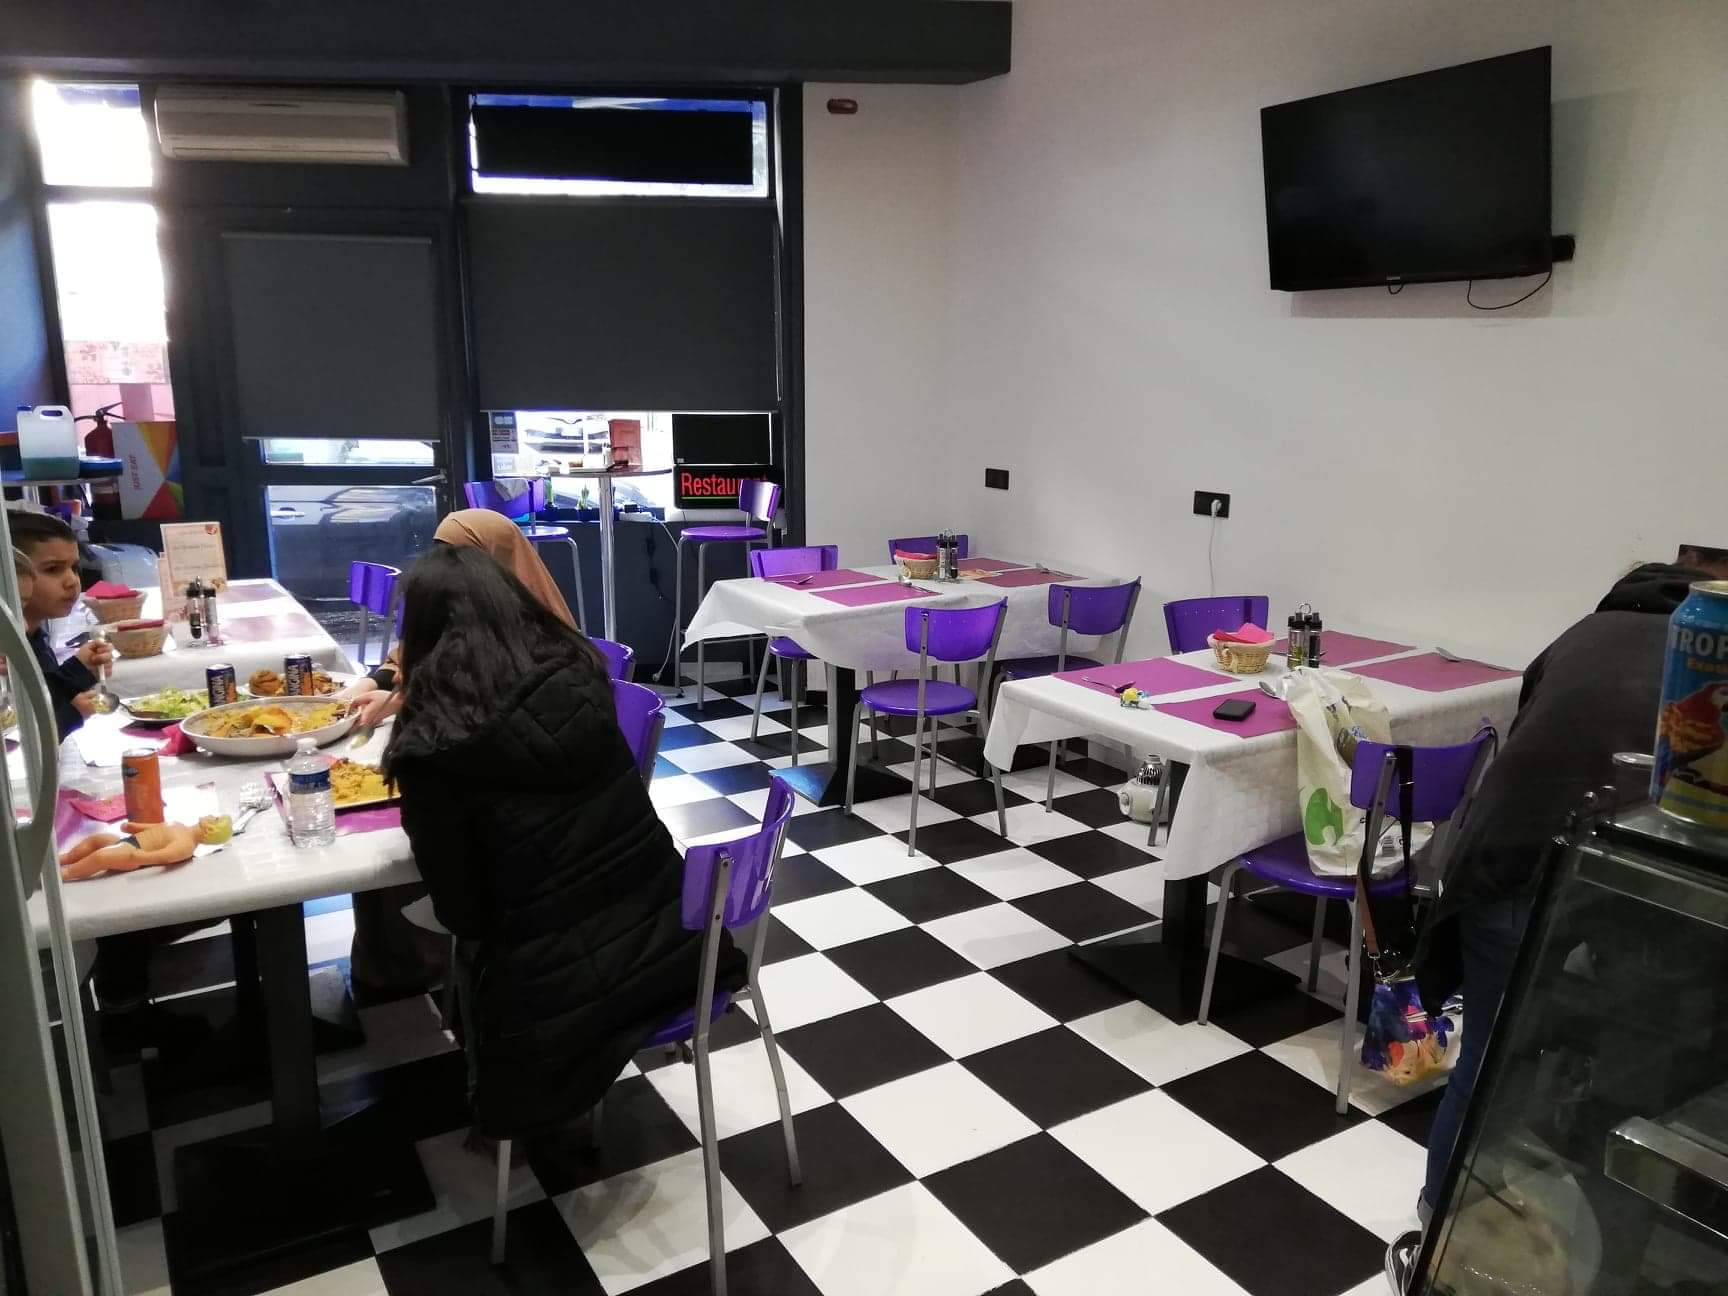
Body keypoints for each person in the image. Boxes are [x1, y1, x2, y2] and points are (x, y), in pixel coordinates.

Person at [1384, 562, 1706, 1293]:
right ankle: (1589, 1255)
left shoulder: (1582, 633)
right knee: (1629, 1080)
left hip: (1504, 858)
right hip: (1621, 882)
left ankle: (1440, 1239)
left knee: (1486, 1062)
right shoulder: (1704, 663)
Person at [379, 544, 734, 1137]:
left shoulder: (435, 747)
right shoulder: (580, 677)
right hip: (677, 948)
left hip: (558, 1003)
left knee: (470, 942)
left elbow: (463, 914)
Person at [341, 509, 581, 1002]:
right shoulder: (528, 644)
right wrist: (383, 684)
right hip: (578, 889)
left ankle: (405, 969)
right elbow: (416, 656)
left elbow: (474, 693)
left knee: (399, 849)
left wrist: (409, 701)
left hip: (539, 897)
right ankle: (394, 965)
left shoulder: (536, 651)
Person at [7, 511, 113, 739]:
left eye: (74, 568)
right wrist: (73, 715)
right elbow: (21, 739)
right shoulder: (6, 651)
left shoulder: (35, 636)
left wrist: (81, 670)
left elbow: (44, 694)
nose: (72, 581)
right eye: (52, 569)